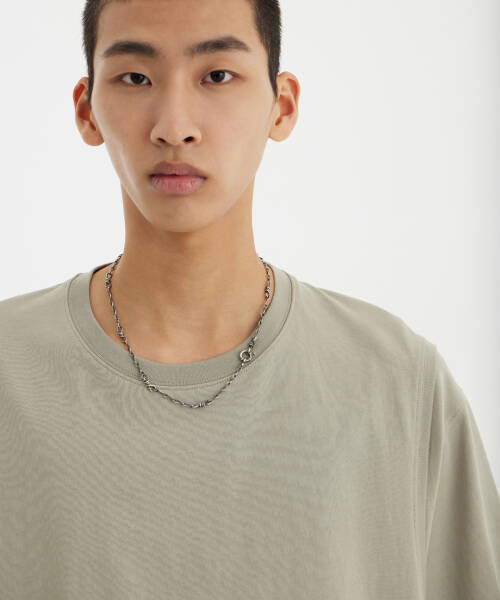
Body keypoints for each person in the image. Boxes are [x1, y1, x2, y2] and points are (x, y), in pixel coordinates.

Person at [1, 0, 499, 598]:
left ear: (281, 105)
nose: (174, 126)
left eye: (217, 75)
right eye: (135, 77)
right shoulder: (9, 370)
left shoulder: (397, 380)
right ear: (87, 111)